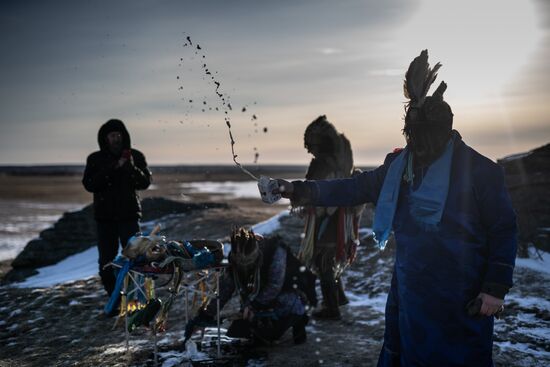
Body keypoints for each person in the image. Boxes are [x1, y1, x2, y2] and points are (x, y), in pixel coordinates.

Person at [274, 50, 517, 366]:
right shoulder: (399, 167)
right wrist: (296, 189)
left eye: (424, 136)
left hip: (461, 294)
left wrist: (495, 288)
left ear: (445, 131)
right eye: (412, 136)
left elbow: (503, 228)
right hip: (410, 290)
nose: (417, 144)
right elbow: (354, 187)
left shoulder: (480, 171)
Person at [185, 228, 312, 345]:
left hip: (285, 296)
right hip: (256, 301)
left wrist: (252, 305)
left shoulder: (275, 251)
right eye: (241, 263)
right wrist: (206, 315)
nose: (244, 266)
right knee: (240, 333)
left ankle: (298, 319)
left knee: (271, 334)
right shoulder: (235, 259)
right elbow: (225, 289)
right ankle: (263, 326)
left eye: (248, 262)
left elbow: (274, 286)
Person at [298, 115, 364, 320]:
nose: (309, 150)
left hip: (329, 217)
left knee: (323, 260)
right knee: (328, 259)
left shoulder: (323, 164)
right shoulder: (339, 160)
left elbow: (315, 191)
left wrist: (303, 201)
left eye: (311, 145)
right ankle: (339, 297)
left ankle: (331, 308)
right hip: (337, 216)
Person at [82, 118, 152, 296]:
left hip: (129, 216)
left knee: (136, 259)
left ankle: (136, 297)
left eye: (119, 135)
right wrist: (114, 167)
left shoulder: (135, 156)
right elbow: (90, 184)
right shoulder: (95, 159)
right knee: (106, 262)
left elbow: (144, 183)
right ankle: (113, 297)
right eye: (112, 135)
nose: (116, 139)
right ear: (105, 138)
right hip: (105, 218)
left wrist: (130, 167)